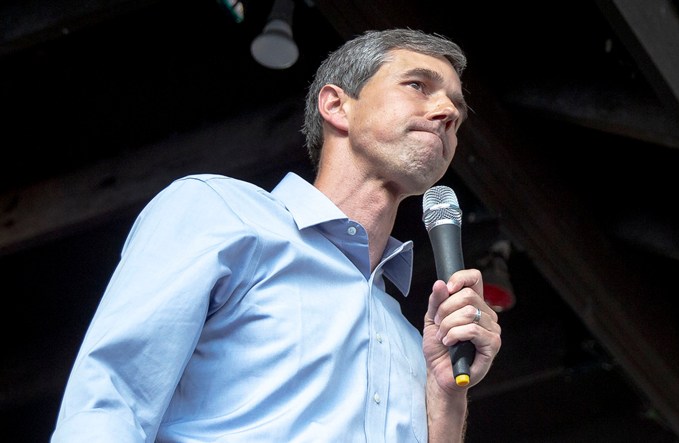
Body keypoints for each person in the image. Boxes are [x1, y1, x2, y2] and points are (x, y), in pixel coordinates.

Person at [51, 28, 502, 442]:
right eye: (418, 86)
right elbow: (112, 397)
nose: (446, 113)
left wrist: (447, 397)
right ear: (336, 105)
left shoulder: (414, 346)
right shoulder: (220, 213)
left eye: (457, 114)